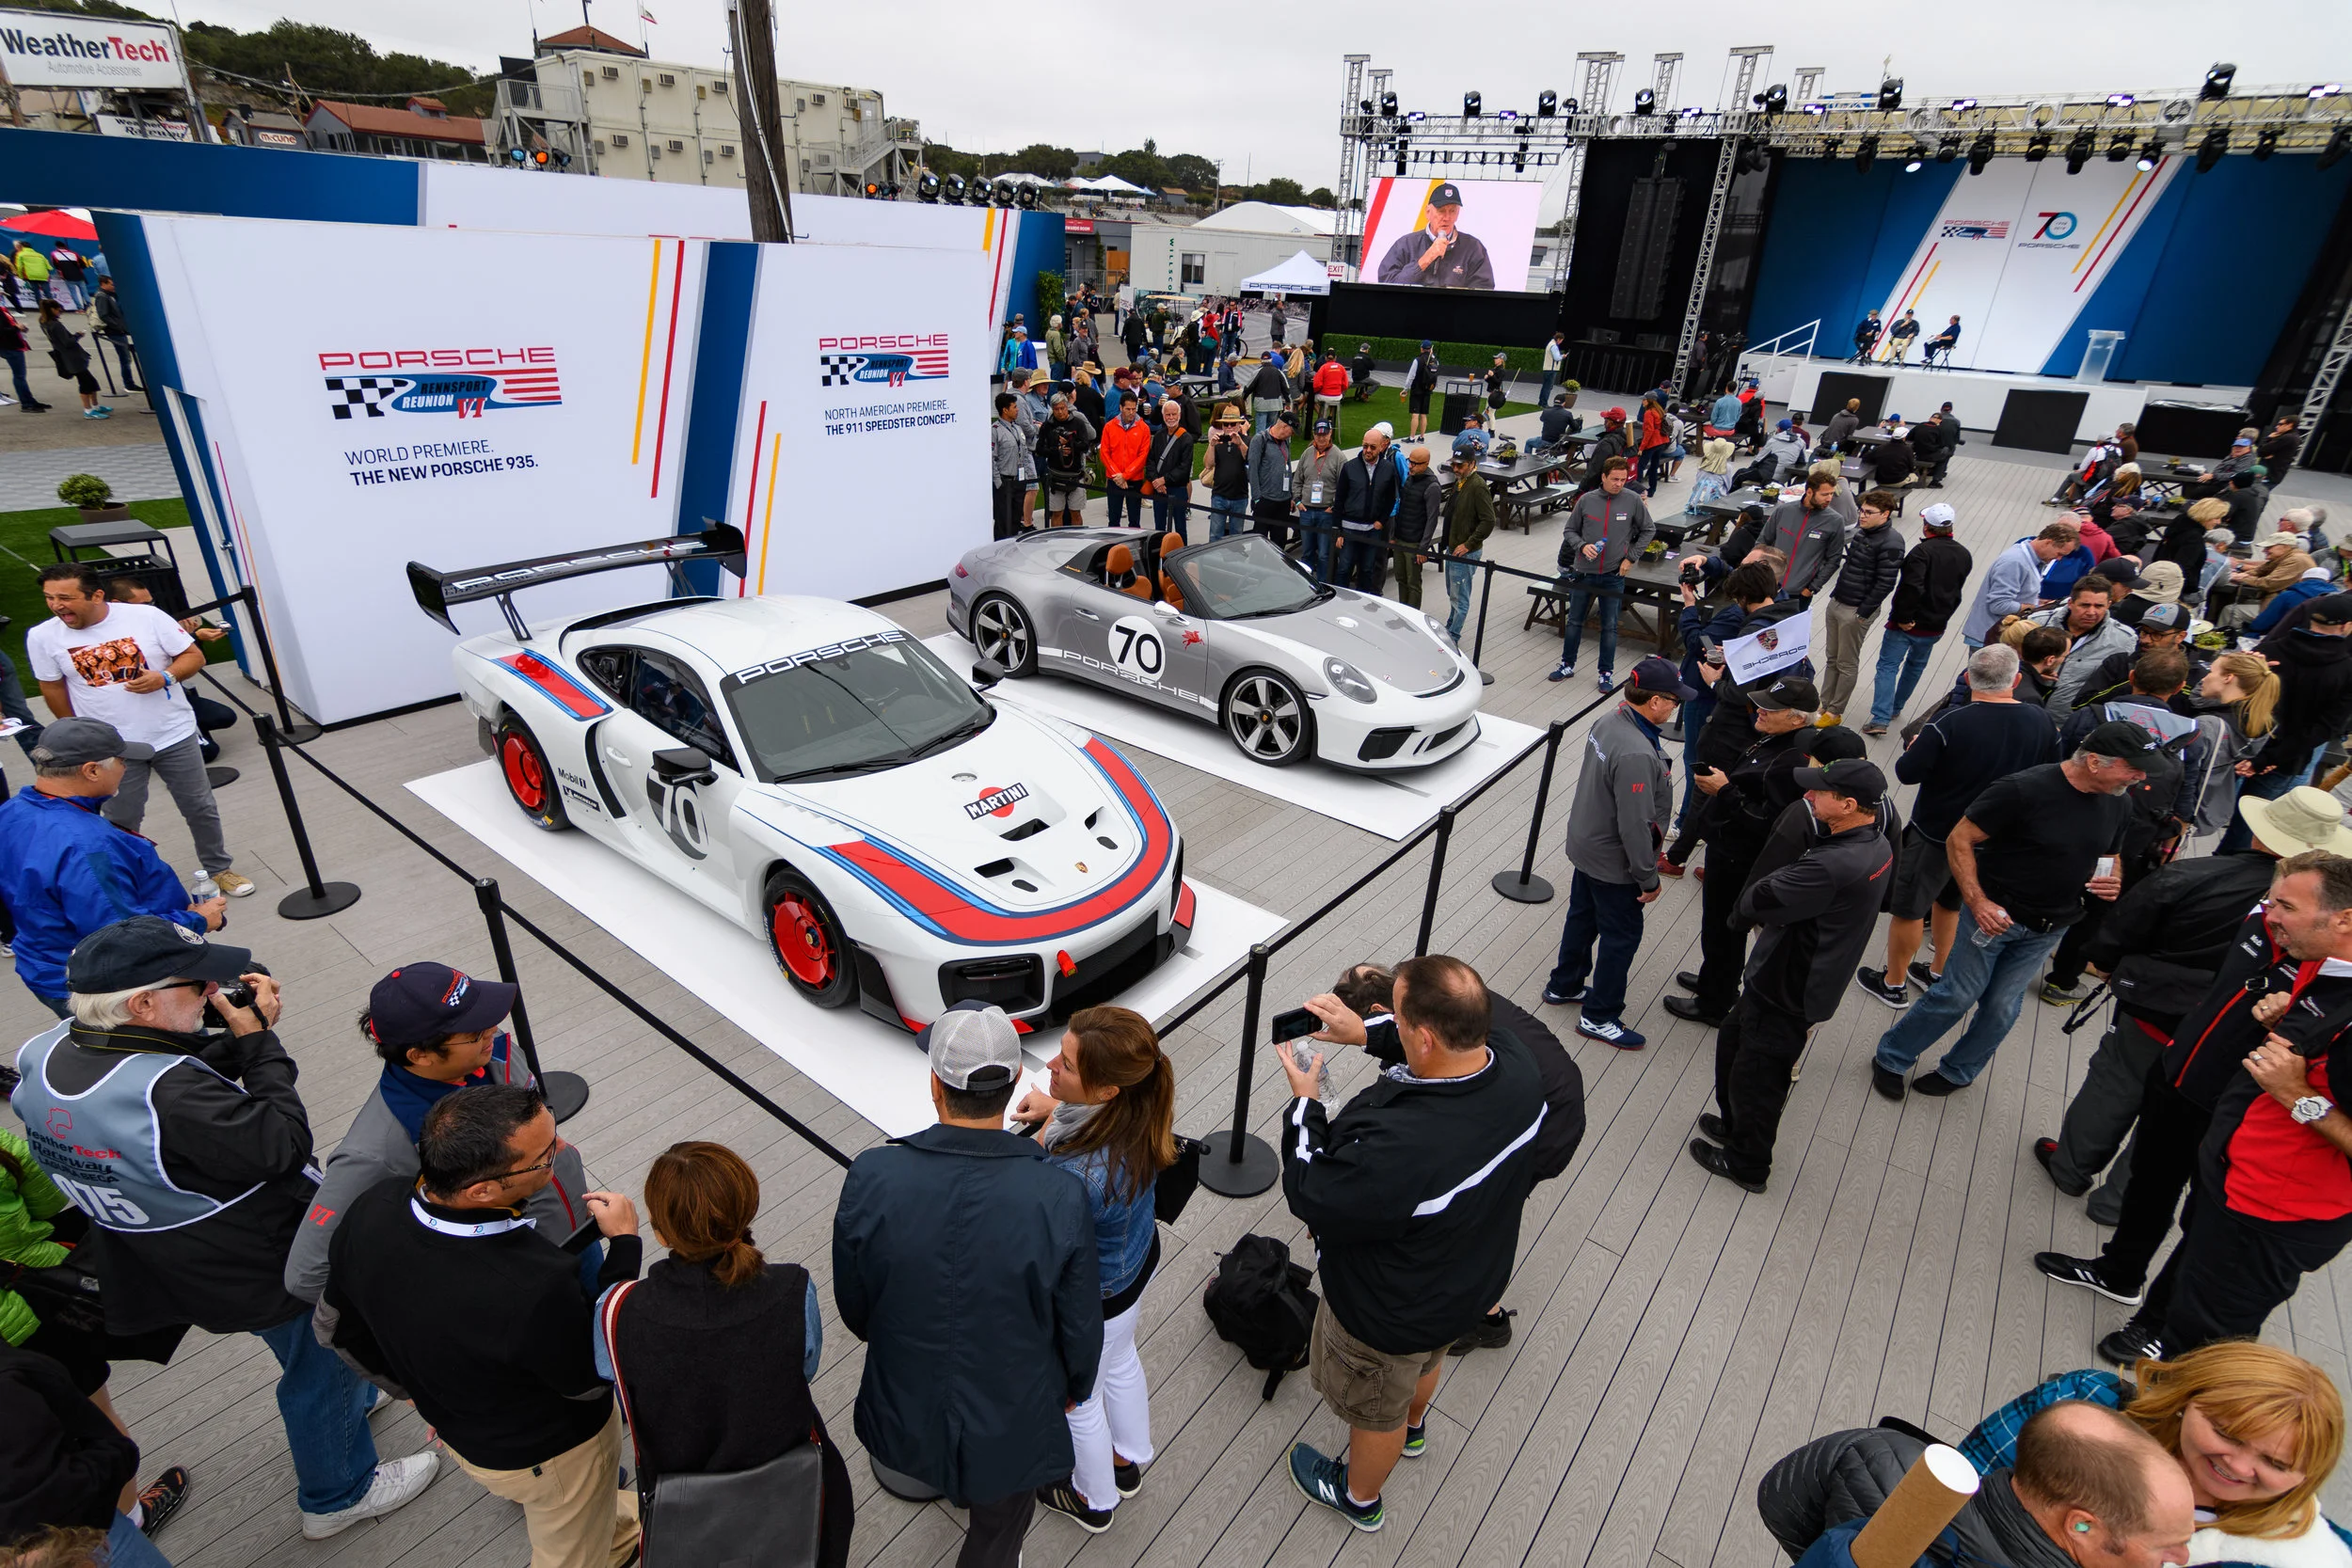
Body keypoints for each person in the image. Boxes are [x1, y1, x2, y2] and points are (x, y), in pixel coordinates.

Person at [10, 917, 438, 1539]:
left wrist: (234, 1035)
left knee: (299, 1346)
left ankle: (348, 1408)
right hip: (254, 1256)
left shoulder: (48, 1050)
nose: (215, 989)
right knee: (322, 1355)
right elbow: (281, 1144)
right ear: (143, 1002)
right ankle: (338, 1491)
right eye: (199, 984)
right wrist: (261, 1042)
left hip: (165, 1253)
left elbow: (161, 1080)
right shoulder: (170, 1092)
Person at [321, 1084, 643, 1568]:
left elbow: (334, 1326)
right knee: (571, 1555)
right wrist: (624, 1248)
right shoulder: (531, 1285)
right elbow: (592, 1375)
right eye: (544, 1157)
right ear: (483, 1190)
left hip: (467, 1435)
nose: (561, 1153)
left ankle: (616, 1535)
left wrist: (416, 1394)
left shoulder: (375, 1206)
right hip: (551, 1453)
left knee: (583, 1512)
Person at [1277, 956, 1545, 1531]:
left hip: (1388, 1308)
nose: (1387, 1024)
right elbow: (1444, 1045)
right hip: (1465, 1280)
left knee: (1377, 1413)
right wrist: (1364, 1032)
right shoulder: (1517, 1066)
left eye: (1392, 1018)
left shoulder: (1400, 1147)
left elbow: (1312, 1193)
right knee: (1427, 1358)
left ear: (1421, 1037)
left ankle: (1359, 1497)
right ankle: (1416, 1428)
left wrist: (1305, 1104)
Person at [833, 1002, 1101, 1568]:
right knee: (1000, 1532)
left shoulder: (872, 1174)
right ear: (1009, 1091)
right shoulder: (1057, 1196)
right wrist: (1075, 1383)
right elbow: (1079, 1322)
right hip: (1015, 1412)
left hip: (906, 1401)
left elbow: (856, 1309)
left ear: (936, 1084)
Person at [2033, 792, 2334, 1228]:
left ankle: (2069, 1168)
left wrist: (2108, 964)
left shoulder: (2195, 873)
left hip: (2156, 1008)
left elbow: (2121, 930)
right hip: (2237, 1038)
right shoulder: (2323, 921)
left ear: (2260, 831)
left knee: (2114, 1084)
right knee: (2172, 1121)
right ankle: (2115, 1204)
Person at [591, 1142, 853, 1568]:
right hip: (798, 1491)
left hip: (686, 1512)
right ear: (746, 1210)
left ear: (660, 1233)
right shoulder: (794, 1288)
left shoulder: (620, 1312)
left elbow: (614, 1373)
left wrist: (623, 1245)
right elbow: (804, 1367)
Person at [283, 961, 595, 1305]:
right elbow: (307, 1276)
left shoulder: (497, 1050)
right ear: (421, 1055)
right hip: (527, 1288)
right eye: (474, 1031)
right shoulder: (376, 1153)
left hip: (581, 1229)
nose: (492, 1029)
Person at [1869, 723, 2149, 1095]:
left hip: (2053, 925)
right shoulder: (2024, 789)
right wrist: (1977, 900)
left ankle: (1958, 1071)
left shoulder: (2119, 800)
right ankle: (1892, 1057)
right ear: (2095, 762)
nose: (2141, 777)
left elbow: (2109, 854)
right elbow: (1960, 838)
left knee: (2002, 1007)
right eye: (2134, 767)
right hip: (1993, 919)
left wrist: (2110, 877)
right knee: (1957, 994)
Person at [1002, 1008, 1173, 1532]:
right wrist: (1057, 1106)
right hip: (1129, 1277)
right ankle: (1126, 1462)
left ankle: (1093, 1498)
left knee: (1079, 1400)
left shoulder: (1078, 1176)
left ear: (1106, 1093)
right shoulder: (1139, 1111)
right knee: (1120, 1364)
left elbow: (1036, 1238)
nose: (1050, 1064)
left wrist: (1032, 1147)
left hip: (1090, 1304)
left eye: (1068, 1067)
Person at [1691, 759, 1894, 1192]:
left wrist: (1753, 901)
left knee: (1759, 1077)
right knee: (1732, 1042)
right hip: (1800, 977)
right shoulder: (1877, 846)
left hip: (1788, 987)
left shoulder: (1832, 864)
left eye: (1821, 793)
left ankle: (1747, 1163)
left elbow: (1760, 897)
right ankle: (1734, 1125)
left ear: (1849, 804)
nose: (1810, 796)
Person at [1963, 1345, 2352, 1564]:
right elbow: (1962, 1482)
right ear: (2187, 1396)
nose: (2237, 1465)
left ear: (2310, 1476)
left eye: (2275, 1463)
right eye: (2225, 1432)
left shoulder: (2301, 1556)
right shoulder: (2087, 1402)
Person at [1858, 644, 2061, 1006]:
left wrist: (1916, 748)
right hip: (1994, 840)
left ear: (1967, 678)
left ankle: (1893, 982)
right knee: (1951, 903)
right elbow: (2050, 773)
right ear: (2015, 679)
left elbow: (1907, 773)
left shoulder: (1951, 721)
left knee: (1909, 909)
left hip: (1937, 835)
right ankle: (1937, 971)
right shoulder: (2042, 722)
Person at [1760, 1401, 2194, 1568]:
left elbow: (1785, 1495)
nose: (2185, 1557)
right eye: (2165, 1545)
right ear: (2082, 1526)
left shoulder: (1893, 1466)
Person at [0, 720, 223, 1017]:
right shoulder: (86, 845)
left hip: (47, 966)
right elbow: (122, 936)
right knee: (170, 1057)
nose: (125, 767)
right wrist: (197, 921)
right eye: (121, 760)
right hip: (112, 986)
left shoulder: (12, 810)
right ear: (91, 770)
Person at [1544, 657, 1695, 1049]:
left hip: (1587, 847)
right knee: (1620, 937)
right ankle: (1599, 1016)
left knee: (1582, 917)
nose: (1677, 706)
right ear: (1657, 702)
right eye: (1674, 700)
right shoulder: (1637, 754)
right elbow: (1635, 825)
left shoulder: (1610, 721)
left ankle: (1564, 985)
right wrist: (1647, 877)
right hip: (1615, 864)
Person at [1662, 674, 1825, 1027]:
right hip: (1729, 847)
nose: (1760, 710)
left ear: (1797, 718)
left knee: (1724, 929)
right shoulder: (1779, 741)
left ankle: (1715, 1002)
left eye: (1771, 707)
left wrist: (1724, 791)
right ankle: (1715, 980)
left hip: (1741, 858)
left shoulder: (1791, 761)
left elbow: (1770, 823)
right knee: (1719, 928)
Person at [0, 1343, 183, 1568]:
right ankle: (135, 1518)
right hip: (83, 1533)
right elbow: (114, 1448)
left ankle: (134, 1517)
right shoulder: (18, 1372)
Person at [2219, 594, 2352, 851]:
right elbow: (2327, 727)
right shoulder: (2346, 671)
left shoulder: (2269, 651)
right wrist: (2271, 758)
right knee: (2250, 824)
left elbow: (2236, 700)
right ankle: (2228, 868)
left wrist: (2257, 755)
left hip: (2240, 747)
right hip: (2284, 758)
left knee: (2208, 808)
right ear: (2346, 627)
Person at [1862, 502, 1972, 736]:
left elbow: (1910, 588)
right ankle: (1895, 708)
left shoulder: (1921, 553)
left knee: (1888, 666)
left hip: (1908, 624)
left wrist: (1903, 617)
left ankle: (1880, 718)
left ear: (1926, 526)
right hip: (1935, 625)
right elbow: (1956, 590)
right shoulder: (1963, 554)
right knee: (1915, 667)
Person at [1547, 456, 1655, 690]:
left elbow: (1649, 529)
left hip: (1614, 575)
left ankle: (1606, 672)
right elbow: (1569, 530)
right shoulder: (1586, 501)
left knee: (1610, 626)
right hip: (1583, 573)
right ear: (1603, 477)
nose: (1619, 484)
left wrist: (1631, 558)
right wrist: (1581, 545)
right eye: (1614, 479)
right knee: (1574, 621)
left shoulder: (1632, 500)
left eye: (1623, 480)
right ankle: (1567, 664)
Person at [1813, 490, 1906, 726]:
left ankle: (1835, 712)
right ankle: (1824, 704)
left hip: (1855, 611)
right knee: (1832, 657)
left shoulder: (1892, 541)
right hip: (1838, 602)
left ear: (1885, 514)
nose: (1861, 516)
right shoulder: (1863, 534)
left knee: (1846, 663)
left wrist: (1862, 613)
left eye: (1868, 512)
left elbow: (1886, 583)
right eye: (1861, 510)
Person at [2030, 578, 2140, 713]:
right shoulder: (2038, 622)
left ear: (2108, 605)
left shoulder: (2124, 639)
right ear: (2070, 603)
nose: (2091, 612)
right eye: (2085, 605)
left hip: (2069, 723)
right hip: (2024, 710)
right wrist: (2031, 671)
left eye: (2099, 606)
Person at [1373, 182, 1495, 289]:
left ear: (1458, 214)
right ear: (1428, 212)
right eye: (1441, 211)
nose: (1447, 218)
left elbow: (1483, 292)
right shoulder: (1406, 244)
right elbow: (1387, 286)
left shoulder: (1473, 248)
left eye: (1452, 211)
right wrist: (1424, 260)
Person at [1440, 446, 1497, 642]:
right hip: (1453, 547)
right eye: (1454, 465)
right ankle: (1450, 628)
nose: (1455, 469)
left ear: (1472, 464)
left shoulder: (1478, 486)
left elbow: (1489, 520)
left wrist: (1469, 544)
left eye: (1460, 465)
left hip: (1464, 552)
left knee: (1460, 597)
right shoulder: (1462, 482)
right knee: (1453, 592)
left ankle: (1453, 636)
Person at [1333, 427, 1398, 594]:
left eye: (1372, 447)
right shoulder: (1349, 467)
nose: (1367, 450)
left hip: (1371, 530)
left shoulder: (1388, 469)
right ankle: (1340, 600)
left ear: (1382, 447)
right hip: (1349, 529)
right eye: (1365, 446)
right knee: (1344, 568)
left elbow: (1391, 498)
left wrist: (1381, 521)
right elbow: (1339, 499)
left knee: (1367, 569)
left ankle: (1361, 603)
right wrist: (1337, 530)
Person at [1293, 419, 1347, 585]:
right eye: (1318, 434)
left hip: (1326, 513)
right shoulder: (1307, 453)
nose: (1321, 438)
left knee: (1324, 553)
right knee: (1307, 552)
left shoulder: (1339, 457)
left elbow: (1344, 487)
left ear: (1330, 433)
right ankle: (1306, 585)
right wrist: (1297, 501)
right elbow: (1297, 480)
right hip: (1306, 511)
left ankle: (1323, 584)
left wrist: (1333, 507)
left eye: (1324, 434)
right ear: (1314, 435)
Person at [1389, 447, 1441, 609]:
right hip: (1400, 538)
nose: (1411, 466)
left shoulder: (1432, 486)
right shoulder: (1410, 479)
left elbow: (1432, 519)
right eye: (1410, 462)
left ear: (1426, 464)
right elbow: (1401, 508)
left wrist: (1423, 548)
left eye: (1416, 464)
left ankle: (1413, 615)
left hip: (1414, 543)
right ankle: (1403, 609)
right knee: (1401, 578)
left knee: (1413, 582)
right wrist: (1393, 535)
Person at [1036, 392, 1095, 531]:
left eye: (1062, 408)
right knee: (1057, 513)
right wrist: (1057, 450)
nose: (1060, 412)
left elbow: (1085, 445)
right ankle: (1057, 539)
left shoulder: (1078, 423)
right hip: (1055, 475)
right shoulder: (1047, 426)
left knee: (1076, 512)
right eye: (1056, 409)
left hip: (1075, 475)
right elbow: (1039, 449)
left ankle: (1077, 540)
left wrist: (1071, 444)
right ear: (1052, 409)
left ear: (1067, 407)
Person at [35, 303, 104, 419]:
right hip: (72, 358)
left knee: (91, 381)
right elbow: (68, 342)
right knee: (86, 383)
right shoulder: (56, 325)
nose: (60, 311)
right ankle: (88, 410)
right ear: (52, 309)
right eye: (58, 309)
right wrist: (77, 335)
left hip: (65, 356)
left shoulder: (44, 323)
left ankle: (95, 406)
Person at [1098, 393, 1151, 530]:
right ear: (1121, 407)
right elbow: (1104, 452)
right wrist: (1118, 475)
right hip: (1115, 479)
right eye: (1128, 409)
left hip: (1134, 479)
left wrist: (1125, 475)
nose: (1131, 412)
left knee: (1134, 521)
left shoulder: (1144, 428)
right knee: (1113, 520)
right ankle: (1113, 549)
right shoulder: (1109, 427)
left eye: (1134, 409)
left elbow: (1143, 456)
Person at [1201, 405, 1253, 540]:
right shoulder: (1218, 441)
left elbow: (1250, 460)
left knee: (1236, 537)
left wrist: (1240, 443)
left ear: (1239, 424)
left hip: (1240, 496)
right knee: (1215, 535)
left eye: (1232, 424)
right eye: (1226, 424)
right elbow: (1208, 464)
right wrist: (1212, 445)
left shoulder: (1247, 440)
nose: (1229, 427)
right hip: (1219, 495)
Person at [1248, 408, 1294, 543]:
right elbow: (1253, 470)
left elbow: (1288, 467)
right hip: (1265, 501)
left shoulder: (1286, 442)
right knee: (1260, 543)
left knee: (1280, 542)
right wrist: (1257, 499)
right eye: (1291, 431)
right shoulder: (1260, 439)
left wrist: (1290, 494)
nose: (1292, 435)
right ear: (1284, 426)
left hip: (1283, 502)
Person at [989, 393, 1026, 540]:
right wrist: (998, 482)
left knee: (1015, 522)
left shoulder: (1017, 429)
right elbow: (991, 458)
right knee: (1003, 522)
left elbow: (1024, 452)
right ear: (1005, 410)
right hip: (1004, 483)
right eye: (1014, 407)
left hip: (1019, 482)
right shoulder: (995, 430)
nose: (1017, 410)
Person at [2, 301, 51, 412]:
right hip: (10, 347)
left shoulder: (3, 310)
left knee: (20, 375)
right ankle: (27, 403)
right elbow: (2, 331)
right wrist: (17, 328)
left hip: (13, 345)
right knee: (19, 376)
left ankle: (29, 400)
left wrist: (19, 328)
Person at [1401, 341, 1438, 437]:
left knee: (1415, 414)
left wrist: (1405, 389)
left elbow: (1411, 376)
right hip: (1428, 390)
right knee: (1424, 414)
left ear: (1422, 348)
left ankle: (1412, 437)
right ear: (1430, 349)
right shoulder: (1435, 361)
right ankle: (1422, 437)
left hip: (1417, 390)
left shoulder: (1418, 360)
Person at [2260, 416, 2304, 491]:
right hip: (2273, 473)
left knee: (2256, 497)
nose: (2277, 427)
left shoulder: (2288, 438)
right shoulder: (2293, 437)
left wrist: (2268, 438)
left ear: (2290, 425)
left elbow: (2261, 451)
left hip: (2270, 474)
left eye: (2280, 424)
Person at [1759, 418, 1806, 483]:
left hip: (1768, 475)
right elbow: (1803, 461)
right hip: (1786, 476)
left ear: (1778, 429)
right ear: (1791, 429)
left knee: (1742, 473)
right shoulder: (1801, 442)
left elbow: (1760, 458)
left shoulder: (1773, 440)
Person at [1311, 352, 1346, 428]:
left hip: (1324, 395)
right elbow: (1345, 384)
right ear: (1335, 358)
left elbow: (1317, 384)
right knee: (1333, 403)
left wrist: (1316, 391)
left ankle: (1322, 418)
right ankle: (1330, 416)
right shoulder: (1341, 368)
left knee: (1311, 400)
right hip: (1337, 396)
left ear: (1326, 358)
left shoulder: (1323, 367)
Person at [1537, 330, 1565, 408]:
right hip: (1551, 369)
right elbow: (1556, 358)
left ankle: (1541, 402)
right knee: (1548, 387)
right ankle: (1544, 403)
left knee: (1545, 386)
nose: (1561, 342)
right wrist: (1562, 357)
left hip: (1547, 368)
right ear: (1559, 339)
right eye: (1561, 341)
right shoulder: (1554, 346)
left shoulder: (1550, 344)